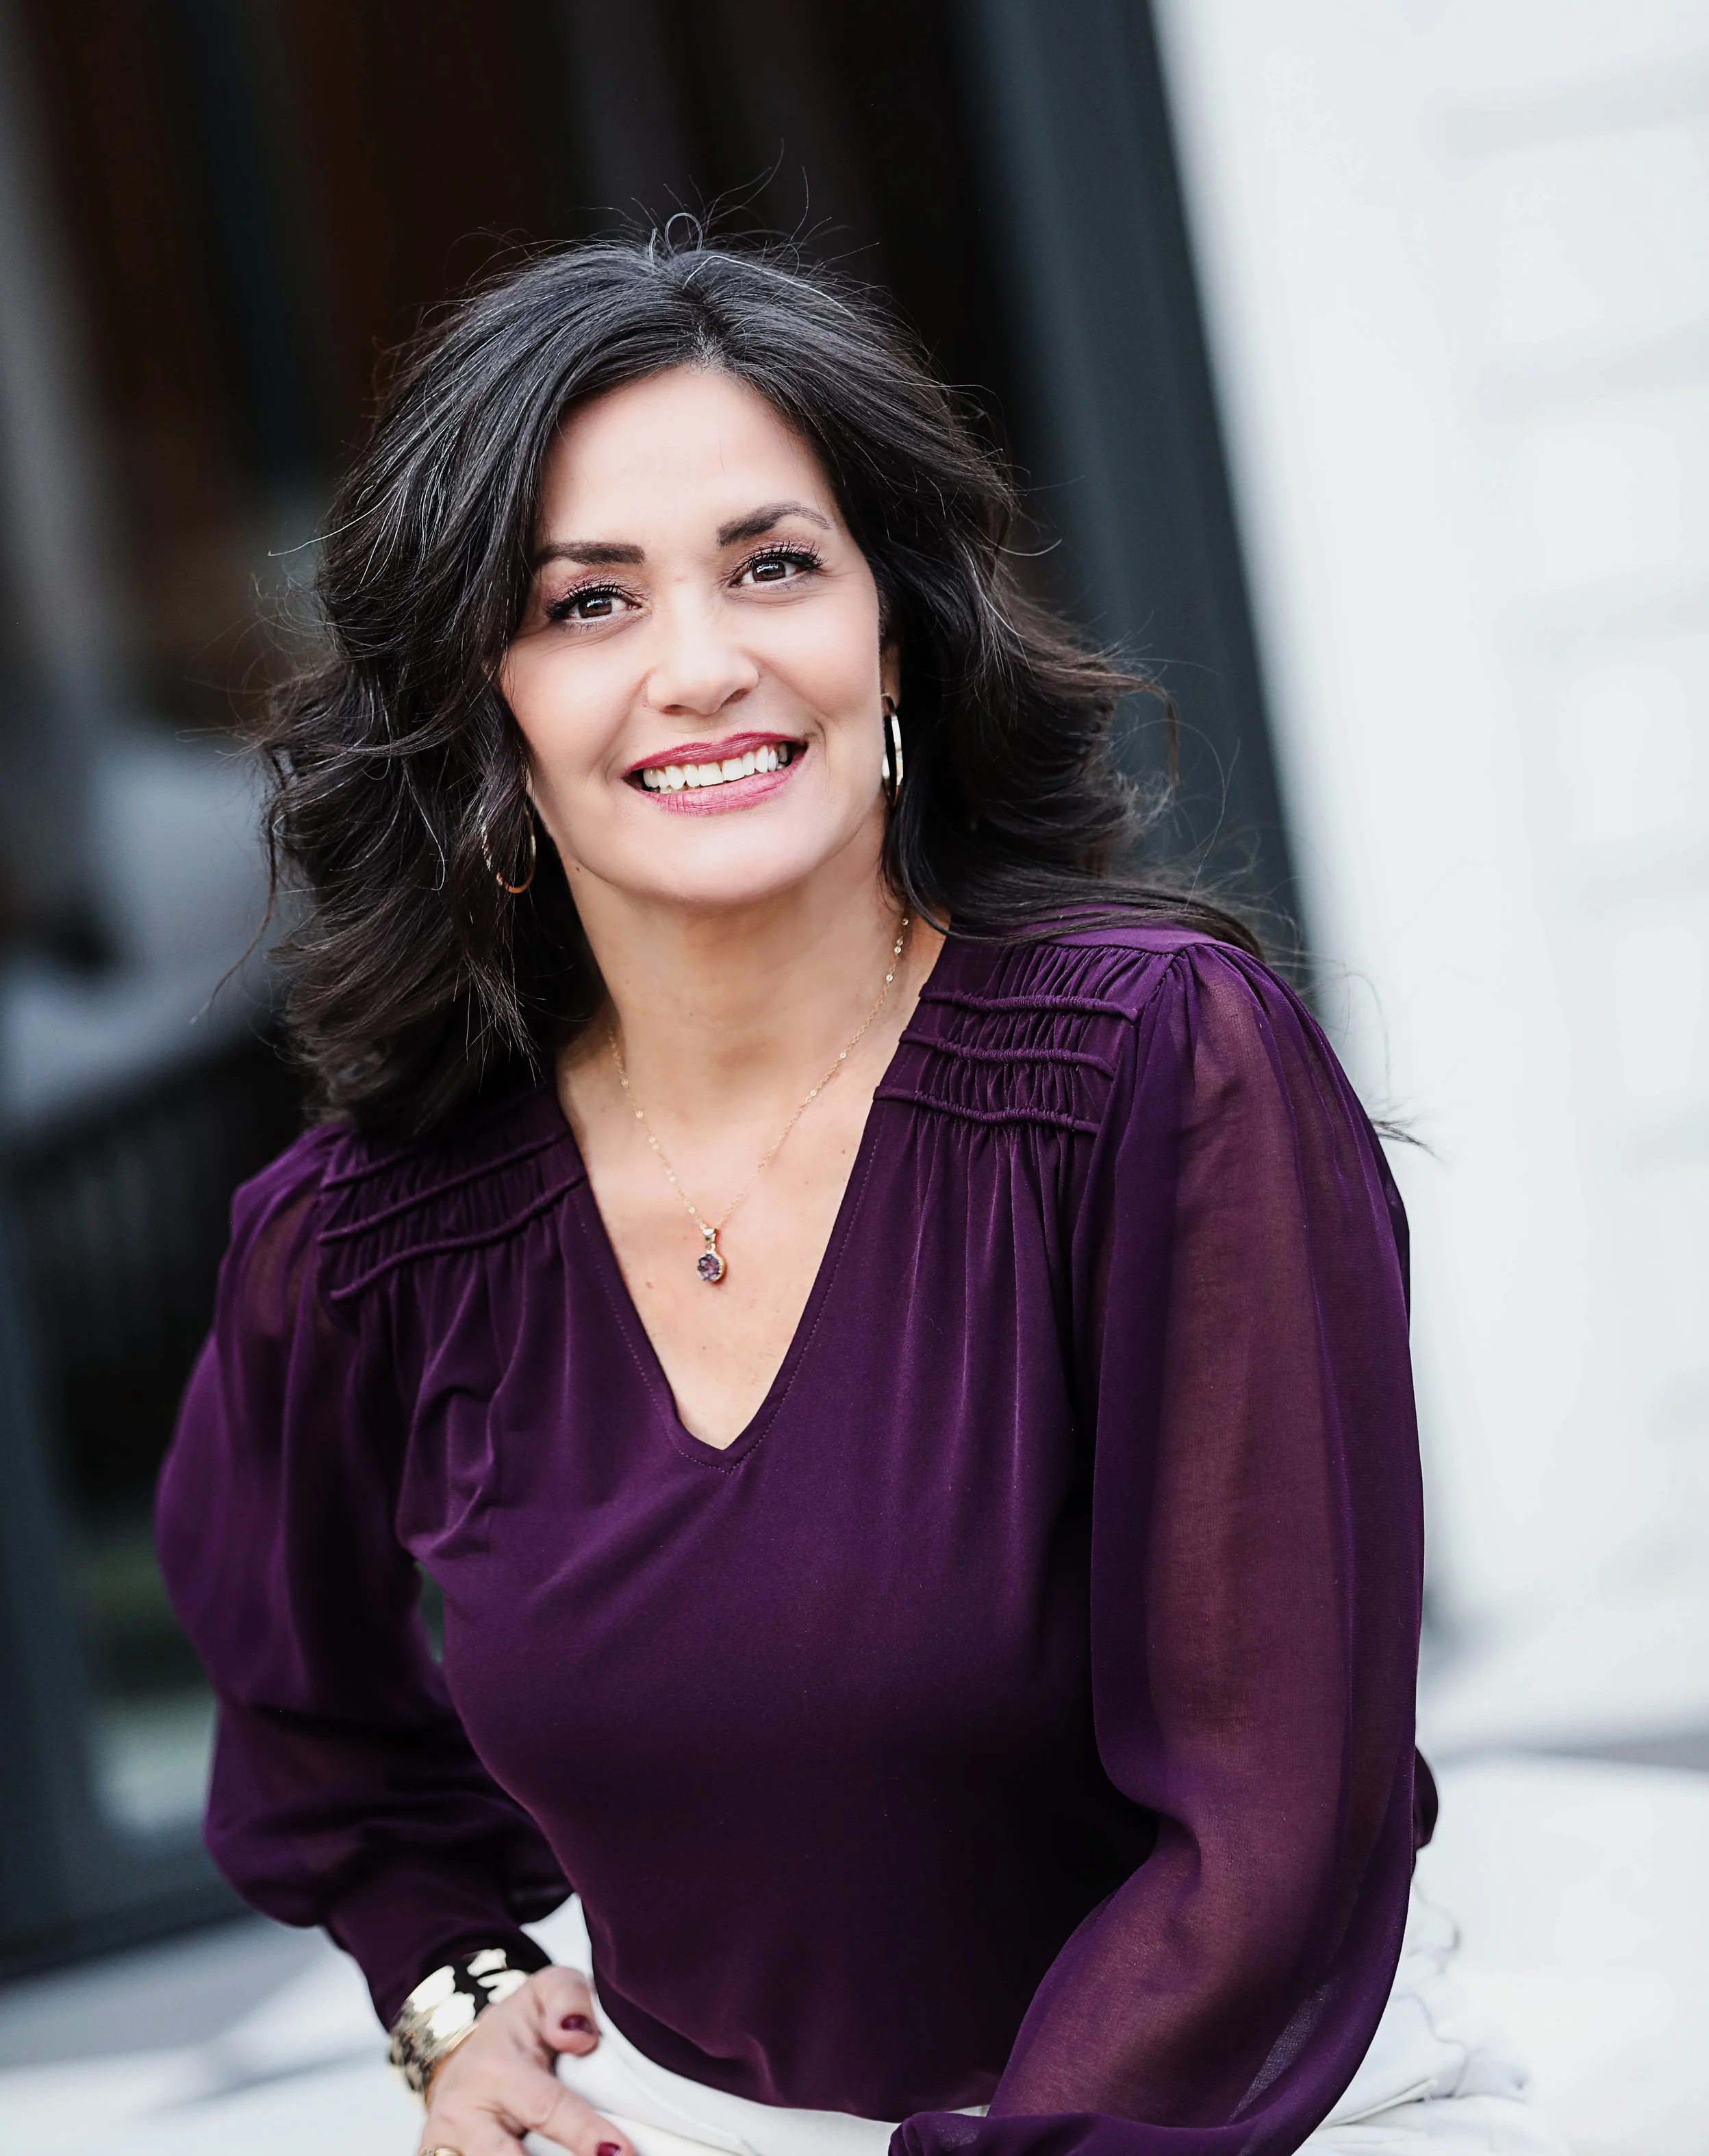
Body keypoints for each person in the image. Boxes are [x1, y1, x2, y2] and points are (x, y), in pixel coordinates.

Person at [157, 236, 1562, 2156]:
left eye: (773, 566)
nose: (700, 665)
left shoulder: (1155, 1069)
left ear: (893, 630)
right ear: (486, 705)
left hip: (1235, 2120)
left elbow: (1270, 1828)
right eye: (586, 601)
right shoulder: (373, 1242)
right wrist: (452, 1990)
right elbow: (309, 1720)